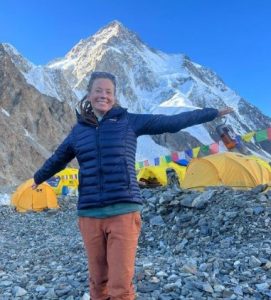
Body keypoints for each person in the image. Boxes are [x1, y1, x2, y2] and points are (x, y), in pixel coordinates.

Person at [32, 71, 233, 300]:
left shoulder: (129, 121)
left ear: (115, 97)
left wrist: (212, 113)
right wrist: (37, 179)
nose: (103, 96)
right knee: (97, 283)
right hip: (89, 214)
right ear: (88, 94)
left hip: (123, 213)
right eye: (98, 90)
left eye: (109, 92)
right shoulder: (78, 131)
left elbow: (172, 122)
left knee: (120, 286)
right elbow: (58, 158)